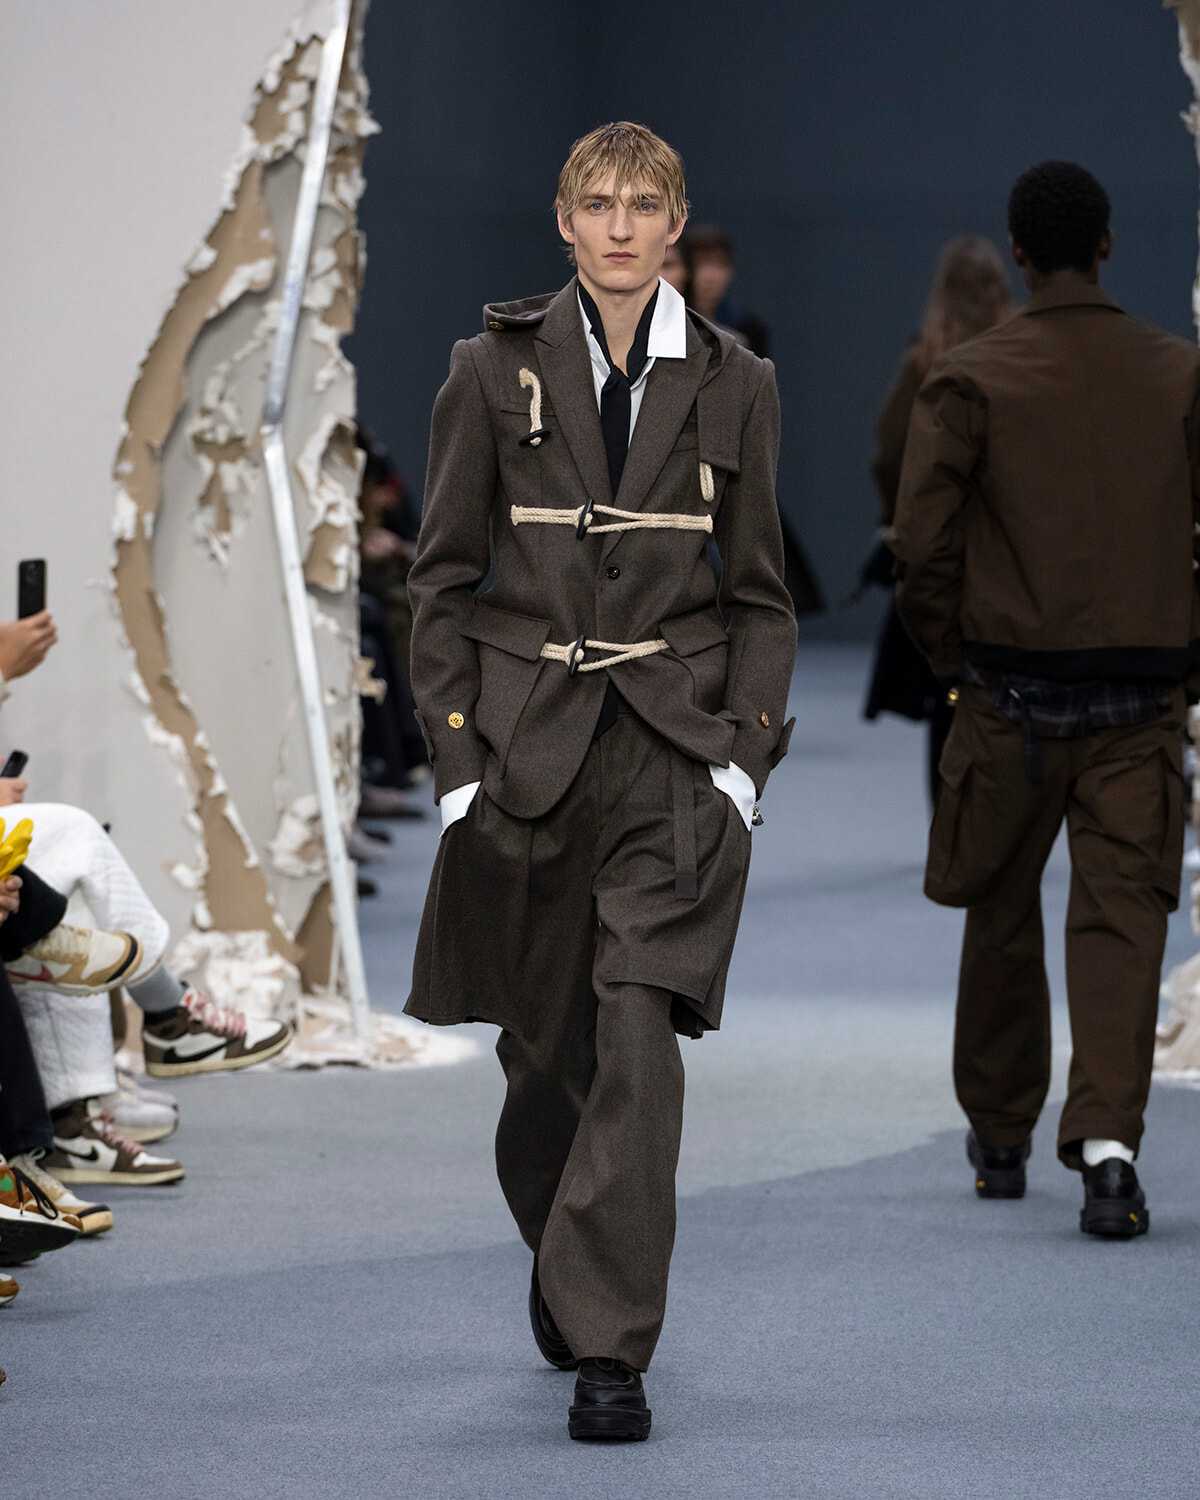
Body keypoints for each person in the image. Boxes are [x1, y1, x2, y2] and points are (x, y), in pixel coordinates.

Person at [404, 121, 796, 1440]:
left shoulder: (738, 382)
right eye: (597, 203)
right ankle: (569, 1259)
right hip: (525, 752)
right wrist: (458, 770)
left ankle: (610, 1348)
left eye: (646, 205)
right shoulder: (487, 368)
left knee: (637, 1034)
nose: (622, 226)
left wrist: (742, 765)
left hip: (675, 756)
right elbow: (442, 581)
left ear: (676, 225)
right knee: (545, 1064)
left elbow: (761, 594)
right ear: (562, 222)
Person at [889, 161, 1200, 1238]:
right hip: (1140, 698)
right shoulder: (1178, 374)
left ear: (1020, 254)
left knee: (1000, 907)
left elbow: (922, 545)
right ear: (1106, 244)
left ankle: (1004, 1134)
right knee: (1123, 921)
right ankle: (1109, 1153)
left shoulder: (973, 380)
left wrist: (953, 660)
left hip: (1010, 696)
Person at [862, 238, 1012, 801]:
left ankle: (950, 828)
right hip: (1008, 550)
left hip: (939, 552)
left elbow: (887, 451)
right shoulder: (1022, 356)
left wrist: (898, 519)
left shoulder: (925, 360)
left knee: (946, 689)